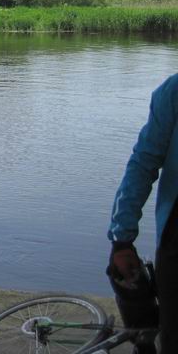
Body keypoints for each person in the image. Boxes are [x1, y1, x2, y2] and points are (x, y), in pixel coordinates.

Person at [108, 74, 178, 354]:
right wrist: (122, 239)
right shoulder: (173, 93)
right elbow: (142, 165)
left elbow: (142, 164)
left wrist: (121, 239)